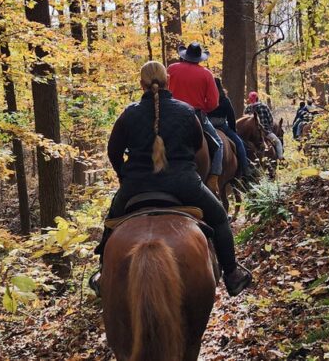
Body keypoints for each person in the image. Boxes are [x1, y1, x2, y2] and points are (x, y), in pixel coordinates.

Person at [89, 61, 252, 297]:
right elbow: (200, 149)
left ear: (141, 83)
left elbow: (113, 152)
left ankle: (104, 273)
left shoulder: (129, 113)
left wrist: (124, 176)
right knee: (219, 218)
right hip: (184, 183)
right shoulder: (186, 112)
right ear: (168, 81)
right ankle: (232, 274)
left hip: (136, 185)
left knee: (110, 222)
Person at [166, 42, 224, 194]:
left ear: (184, 56)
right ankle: (213, 179)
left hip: (169, 114)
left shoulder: (171, 69)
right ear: (199, 59)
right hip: (195, 116)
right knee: (218, 144)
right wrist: (203, 109)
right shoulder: (206, 74)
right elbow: (213, 102)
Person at [208, 78, 252, 179]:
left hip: (208, 125)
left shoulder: (207, 97)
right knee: (239, 144)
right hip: (222, 126)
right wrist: (233, 130)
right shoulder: (225, 99)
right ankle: (245, 168)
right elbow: (231, 116)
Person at [244, 91, 284, 159]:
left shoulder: (248, 108)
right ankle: (281, 159)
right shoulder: (264, 106)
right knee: (277, 142)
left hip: (251, 134)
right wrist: (269, 129)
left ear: (250, 100)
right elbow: (270, 119)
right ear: (257, 98)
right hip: (265, 131)